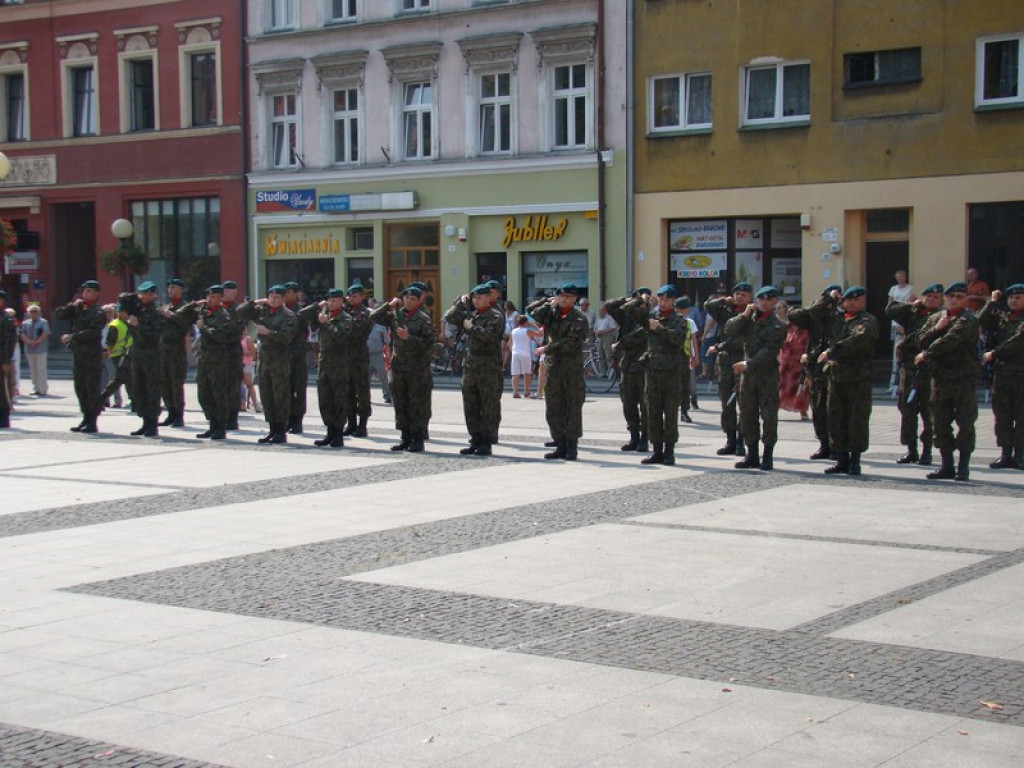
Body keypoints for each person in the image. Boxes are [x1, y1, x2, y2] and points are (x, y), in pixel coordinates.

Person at [915, 282, 981, 481]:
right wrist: (936, 328)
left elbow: (952, 341)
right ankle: (947, 465)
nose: (954, 300)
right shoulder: (937, 317)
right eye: (951, 296)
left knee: (965, 423)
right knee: (940, 423)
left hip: (963, 378)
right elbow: (919, 339)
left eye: (959, 296)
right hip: (940, 378)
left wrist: (926, 354)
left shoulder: (968, 319)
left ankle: (963, 466)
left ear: (966, 299)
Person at [816, 286, 879, 476]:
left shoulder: (867, 321)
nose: (853, 303)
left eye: (858, 300)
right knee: (836, 419)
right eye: (849, 300)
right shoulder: (837, 319)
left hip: (858, 378)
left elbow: (859, 339)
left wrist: (832, 351)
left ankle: (854, 461)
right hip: (836, 377)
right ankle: (841, 459)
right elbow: (811, 314)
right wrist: (828, 298)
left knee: (856, 419)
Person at [727, 286, 787, 470]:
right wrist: (744, 315)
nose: (764, 303)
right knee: (747, 415)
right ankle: (751, 454)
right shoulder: (748, 321)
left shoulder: (778, 325)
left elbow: (769, 351)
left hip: (767, 375)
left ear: (775, 302)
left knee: (768, 416)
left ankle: (767, 455)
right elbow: (729, 330)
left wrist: (748, 364)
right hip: (748, 378)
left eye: (769, 300)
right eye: (761, 299)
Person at [370, 285, 435, 452]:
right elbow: (374, 317)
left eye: (413, 299)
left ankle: (418, 439)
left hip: (416, 369)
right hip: (398, 367)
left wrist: (409, 338)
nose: (408, 301)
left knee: (416, 405)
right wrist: (389, 305)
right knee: (400, 403)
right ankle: (405, 438)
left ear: (418, 300)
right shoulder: (396, 315)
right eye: (406, 298)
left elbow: (429, 345)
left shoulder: (423, 318)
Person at [527, 283, 588, 460]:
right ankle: (559, 444)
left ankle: (571, 446)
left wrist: (547, 348)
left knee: (572, 408)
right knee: (553, 407)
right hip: (555, 369)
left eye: (568, 297)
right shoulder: (552, 313)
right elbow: (532, 311)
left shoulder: (578, 318)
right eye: (561, 296)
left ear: (575, 299)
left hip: (571, 369)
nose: (564, 299)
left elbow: (571, 343)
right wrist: (548, 303)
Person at [886, 283, 944, 465]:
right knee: (907, 410)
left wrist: (905, 342)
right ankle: (911, 449)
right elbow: (890, 310)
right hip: (908, 369)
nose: (931, 300)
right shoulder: (913, 313)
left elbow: (924, 336)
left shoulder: (940, 316)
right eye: (928, 296)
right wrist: (912, 305)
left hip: (928, 369)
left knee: (927, 412)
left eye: (935, 297)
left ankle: (927, 450)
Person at [628, 284, 686, 465]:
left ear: (673, 302)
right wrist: (641, 299)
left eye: (667, 300)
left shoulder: (680, 320)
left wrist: (659, 328)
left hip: (670, 374)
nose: (663, 302)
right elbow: (628, 310)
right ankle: (657, 451)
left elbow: (677, 340)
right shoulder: (651, 317)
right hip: (652, 373)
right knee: (652, 412)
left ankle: (669, 452)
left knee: (669, 414)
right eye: (660, 299)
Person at [446, 284, 505, 455]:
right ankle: (475, 439)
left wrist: (471, 327)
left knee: (488, 406)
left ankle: (486, 442)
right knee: (470, 405)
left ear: (488, 298)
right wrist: (460, 303)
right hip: (471, 367)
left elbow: (489, 336)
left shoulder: (495, 315)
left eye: (480, 298)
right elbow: (450, 317)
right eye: (474, 298)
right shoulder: (471, 314)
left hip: (488, 368)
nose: (476, 301)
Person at [179, 284, 242, 440]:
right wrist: (194, 304)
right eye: (208, 297)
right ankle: (212, 425)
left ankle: (220, 427)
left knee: (218, 395)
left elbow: (222, 335)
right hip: (205, 360)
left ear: (221, 298)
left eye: (213, 297)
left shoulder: (224, 315)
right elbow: (180, 315)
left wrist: (204, 328)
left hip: (219, 361)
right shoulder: (204, 312)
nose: (209, 299)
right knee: (204, 395)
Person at [236, 285, 298, 444]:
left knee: (280, 396)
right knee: (267, 395)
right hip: (264, 361)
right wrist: (256, 302)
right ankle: (271, 429)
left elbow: (287, 337)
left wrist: (268, 332)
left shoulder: (288, 315)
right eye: (270, 296)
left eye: (277, 297)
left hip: (280, 361)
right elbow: (239, 312)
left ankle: (280, 431)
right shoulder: (262, 311)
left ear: (284, 299)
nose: (272, 299)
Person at [788, 284, 843, 460]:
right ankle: (824, 444)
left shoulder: (840, 317)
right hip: (815, 369)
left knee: (834, 410)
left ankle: (837, 446)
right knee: (818, 408)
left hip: (834, 368)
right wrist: (825, 299)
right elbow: (794, 315)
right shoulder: (814, 318)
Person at [705, 282, 755, 456]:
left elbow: (741, 341)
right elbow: (708, 305)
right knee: (727, 404)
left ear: (750, 297)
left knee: (744, 404)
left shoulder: (752, 314)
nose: (739, 297)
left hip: (741, 361)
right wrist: (724, 300)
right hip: (725, 363)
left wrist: (720, 346)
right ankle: (730, 440)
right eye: (737, 294)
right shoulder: (727, 311)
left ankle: (742, 441)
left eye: (744, 294)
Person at [299, 288, 352, 448]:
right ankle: (329, 432)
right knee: (325, 399)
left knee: (339, 399)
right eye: (329, 300)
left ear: (342, 301)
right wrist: (317, 305)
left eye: (335, 300)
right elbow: (302, 314)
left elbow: (342, 338)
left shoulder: (346, 318)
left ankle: (338, 434)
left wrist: (326, 323)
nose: (331, 303)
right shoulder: (324, 314)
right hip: (324, 363)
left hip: (339, 364)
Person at [979, 283, 1024, 470]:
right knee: (1002, 415)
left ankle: (1020, 454)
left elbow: (1018, 341)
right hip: (1002, 374)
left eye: (1018, 297)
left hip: (1021, 373)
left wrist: (993, 354)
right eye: (1010, 298)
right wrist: (992, 302)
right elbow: (980, 321)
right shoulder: (1003, 317)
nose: (1013, 300)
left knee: (1022, 415)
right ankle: (1006, 453)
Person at [56, 279, 107, 433]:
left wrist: (73, 337)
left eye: (89, 291)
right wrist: (72, 305)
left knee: (92, 388)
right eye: (84, 291)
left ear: (97, 293)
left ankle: (93, 421)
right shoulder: (78, 308)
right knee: (80, 388)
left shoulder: (98, 312)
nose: (85, 293)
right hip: (79, 355)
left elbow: (93, 332)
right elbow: (60, 315)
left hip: (91, 356)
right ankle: (85, 417)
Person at [606, 288, 651, 452]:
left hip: (643, 366)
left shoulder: (649, 319)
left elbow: (639, 336)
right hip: (627, 366)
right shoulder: (626, 319)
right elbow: (609, 306)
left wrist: (619, 344)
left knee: (645, 406)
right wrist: (626, 299)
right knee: (628, 403)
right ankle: (634, 437)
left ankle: (645, 438)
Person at [127, 281, 165, 437]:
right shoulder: (138, 310)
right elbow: (123, 298)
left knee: (152, 390)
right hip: (138, 355)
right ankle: (144, 422)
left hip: (152, 356)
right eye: (143, 293)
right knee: (139, 389)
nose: (146, 296)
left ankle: (153, 424)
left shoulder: (156, 312)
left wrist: (138, 325)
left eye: (149, 294)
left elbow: (154, 335)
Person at [340, 283, 374, 437]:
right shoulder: (344, 311)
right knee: (347, 392)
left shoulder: (366, 313)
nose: (351, 299)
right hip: (345, 357)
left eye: (355, 296)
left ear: (362, 297)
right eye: (350, 296)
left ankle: (362, 424)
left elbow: (356, 332)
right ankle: (351, 422)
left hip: (359, 357)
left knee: (362, 392)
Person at [157, 277, 190, 427]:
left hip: (177, 352)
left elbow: (186, 327)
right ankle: (170, 412)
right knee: (164, 384)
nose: (170, 290)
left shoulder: (186, 307)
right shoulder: (165, 307)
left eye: (174, 287)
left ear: (181, 290)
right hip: (164, 351)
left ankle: (179, 415)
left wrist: (172, 316)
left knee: (176, 385)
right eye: (169, 287)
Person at [281, 282, 308, 434]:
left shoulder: (301, 311)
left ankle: (298, 420)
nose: (287, 295)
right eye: (285, 292)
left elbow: (299, 330)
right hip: (284, 355)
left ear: (297, 294)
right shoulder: (280, 311)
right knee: (286, 389)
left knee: (299, 389)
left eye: (290, 292)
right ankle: (289, 419)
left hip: (297, 354)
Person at [776, 301, 810, 420]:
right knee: (782, 386)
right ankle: (775, 408)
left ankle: (803, 410)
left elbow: (808, 345)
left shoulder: (806, 331)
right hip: (785, 361)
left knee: (801, 387)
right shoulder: (786, 328)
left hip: (799, 363)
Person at [887, 270, 916, 395]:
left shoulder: (910, 288)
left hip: (905, 319)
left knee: (903, 352)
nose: (899, 279)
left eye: (901, 277)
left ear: (905, 277)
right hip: (895, 321)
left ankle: (902, 383)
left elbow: (911, 302)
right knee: (896, 353)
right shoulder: (893, 289)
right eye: (897, 277)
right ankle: (893, 383)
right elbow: (890, 304)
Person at [221, 280, 245, 430]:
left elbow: (238, 333)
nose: (233, 295)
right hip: (217, 356)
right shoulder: (215, 309)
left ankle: (232, 418)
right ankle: (220, 417)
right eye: (230, 292)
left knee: (233, 387)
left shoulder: (238, 310)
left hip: (233, 354)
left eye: (235, 292)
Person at [674, 297, 699, 424]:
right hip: (671, 358)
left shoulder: (689, 322)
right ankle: (673, 411)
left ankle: (684, 411)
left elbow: (693, 339)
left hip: (684, 357)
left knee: (685, 386)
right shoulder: (669, 321)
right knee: (673, 386)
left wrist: (694, 357)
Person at [20, 304, 50, 397]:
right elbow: (21, 333)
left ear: (39, 312)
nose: (33, 313)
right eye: (31, 311)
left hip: (40, 349)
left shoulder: (43, 322)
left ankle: (43, 389)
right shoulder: (25, 323)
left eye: (35, 311)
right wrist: (28, 341)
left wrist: (36, 342)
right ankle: (36, 388)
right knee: (33, 370)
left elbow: (46, 333)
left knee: (41, 369)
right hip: (29, 349)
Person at [509, 315, 540, 397]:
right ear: (526, 322)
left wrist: (512, 351)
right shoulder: (528, 331)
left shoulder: (513, 331)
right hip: (525, 353)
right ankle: (526, 391)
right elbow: (540, 334)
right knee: (527, 373)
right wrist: (534, 325)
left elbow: (509, 343)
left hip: (515, 352)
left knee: (515, 373)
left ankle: (515, 391)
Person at [366, 318, 392, 404]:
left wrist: (387, 354)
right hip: (365, 355)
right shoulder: (362, 327)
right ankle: (366, 397)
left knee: (383, 376)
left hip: (378, 354)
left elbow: (387, 342)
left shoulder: (380, 328)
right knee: (366, 378)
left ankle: (387, 396)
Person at [0, 290, 15, 427]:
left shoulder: (6, 319)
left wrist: (6, 361)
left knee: (2, 391)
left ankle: (4, 419)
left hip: (1, 359)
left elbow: (9, 343)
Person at [592, 302, 618, 375]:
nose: (600, 312)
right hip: (599, 337)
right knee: (600, 355)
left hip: (607, 337)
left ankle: (609, 372)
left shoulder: (609, 318)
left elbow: (612, 328)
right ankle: (602, 372)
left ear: (606, 311)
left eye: (602, 310)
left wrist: (603, 331)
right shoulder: (597, 318)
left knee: (608, 355)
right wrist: (596, 332)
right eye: (599, 310)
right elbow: (594, 329)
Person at [241, 332, 261, 413]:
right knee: (237, 385)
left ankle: (255, 405)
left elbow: (253, 353)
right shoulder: (235, 338)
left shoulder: (248, 339)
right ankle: (241, 404)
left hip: (246, 364)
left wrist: (241, 353)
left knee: (249, 384)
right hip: (236, 364)